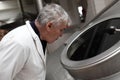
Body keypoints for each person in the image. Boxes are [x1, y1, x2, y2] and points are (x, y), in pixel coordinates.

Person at [0, 3, 72, 80]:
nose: (61, 35)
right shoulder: (18, 42)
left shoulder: (41, 39)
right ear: (49, 26)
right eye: (61, 30)